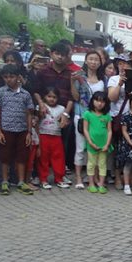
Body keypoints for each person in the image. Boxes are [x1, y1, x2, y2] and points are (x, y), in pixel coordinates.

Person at [30, 42, 74, 176]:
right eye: (57, 54)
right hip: (44, 113)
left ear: (68, 57)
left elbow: (72, 97)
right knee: (40, 145)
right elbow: (36, 91)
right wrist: (41, 105)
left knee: (61, 147)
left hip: (62, 114)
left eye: (64, 55)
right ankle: (39, 175)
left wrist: (66, 114)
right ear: (51, 54)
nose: (60, 57)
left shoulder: (71, 74)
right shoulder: (43, 72)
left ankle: (59, 175)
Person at [0, 64, 36, 195]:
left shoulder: (25, 94)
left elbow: (29, 113)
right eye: (6, 77)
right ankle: (5, 181)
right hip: (6, 129)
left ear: (18, 77)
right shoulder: (0, 92)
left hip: (22, 130)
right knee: (5, 157)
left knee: (21, 157)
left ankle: (20, 181)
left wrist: (29, 132)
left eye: (11, 77)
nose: (9, 79)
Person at [70, 51, 105, 189]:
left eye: (96, 59)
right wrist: (72, 82)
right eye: (91, 59)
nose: (94, 62)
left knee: (95, 148)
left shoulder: (103, 78)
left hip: (98, 117)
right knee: (80, 147)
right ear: (85, 61)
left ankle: (93, 176)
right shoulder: (79, 77)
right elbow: (75, 96)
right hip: (82, 115)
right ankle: (78, 177)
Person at [35, 87, 67, 189]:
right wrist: (40, 111)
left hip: (56, 136)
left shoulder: (62, 108)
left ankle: (59, 179)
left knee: (58, 158)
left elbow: (65, 122)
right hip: (43, 135)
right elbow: (37, 118)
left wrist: (64, 122)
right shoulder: (40, 106)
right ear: (44, 96)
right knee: (43, 158)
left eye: (54, 97)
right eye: (49, 96)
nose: (51, 99)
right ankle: (43, 179)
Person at [81, 91, 111, 194]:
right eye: (97, 100)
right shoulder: (87, 114)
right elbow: (85, 130)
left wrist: (107, 144)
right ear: (92, 101)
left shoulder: (107, 115)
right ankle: (91, 184)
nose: (99, 103)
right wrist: (90, 142)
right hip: (91, 145)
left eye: (102, 101)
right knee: (91, 164)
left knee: (102, 164)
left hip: (104, 145)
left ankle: (101, 184)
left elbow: (109, 131)